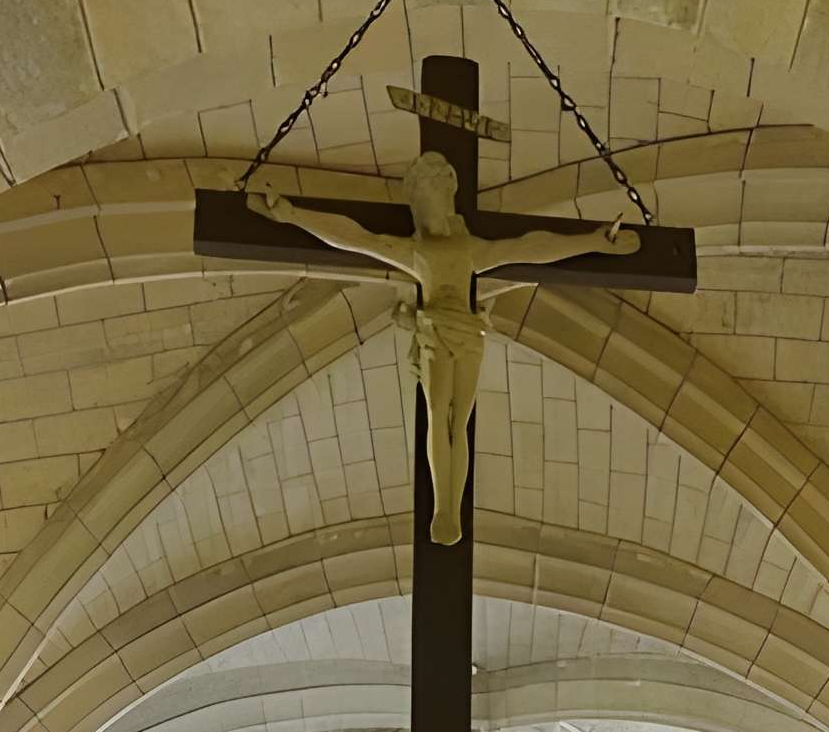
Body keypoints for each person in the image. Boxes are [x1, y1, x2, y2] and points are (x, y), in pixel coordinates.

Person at [251, 158, 639, 543]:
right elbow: (355, 237)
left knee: (460, 422)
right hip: (435, 332)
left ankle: (453, 505)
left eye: (437, 194)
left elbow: (529, 248)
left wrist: (592, 242)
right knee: (439, 415)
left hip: (469, 333)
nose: (433, 205)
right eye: (425, 197)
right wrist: (293, 215)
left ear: (447, 197)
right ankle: (444, 507)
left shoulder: (470, 248)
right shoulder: (417, 251)